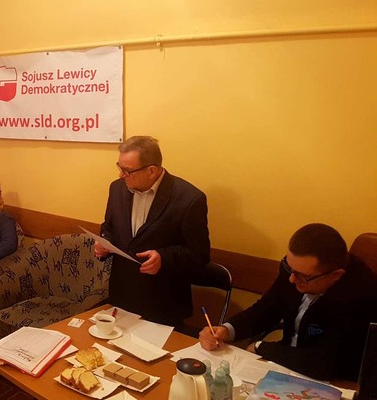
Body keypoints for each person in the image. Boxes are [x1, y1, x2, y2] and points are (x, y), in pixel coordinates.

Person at [199, 223, 377, 381]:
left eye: (302, 276)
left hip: (332, 379)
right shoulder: (295, 271)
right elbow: (266, 309)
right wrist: (226, 330)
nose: (291, 279)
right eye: (290, 268)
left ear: (335, 275)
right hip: (285, 364)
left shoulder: (362, 296)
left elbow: (324, 363)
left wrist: (261, 347)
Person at [95, 135, 210, 327]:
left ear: (151, 170)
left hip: (163, 303)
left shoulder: (189, 198)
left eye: (127, 170)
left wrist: (164, 258)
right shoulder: (117, 188)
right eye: (119, 167)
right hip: (122, 295)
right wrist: (104, 243)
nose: (121, 175)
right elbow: (109, 227)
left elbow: (200, 254)